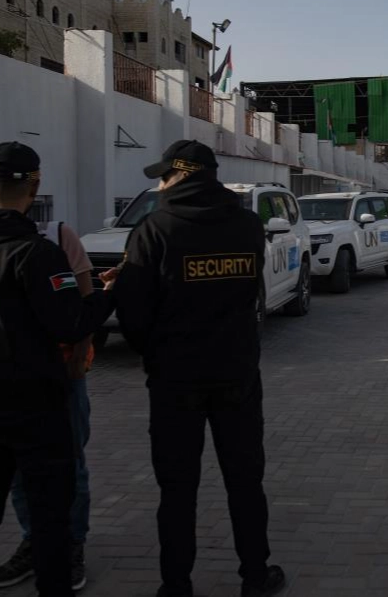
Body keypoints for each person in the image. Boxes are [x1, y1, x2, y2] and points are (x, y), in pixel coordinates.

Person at [0, 142, 112, 597]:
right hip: (35, 412)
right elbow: (71, 322)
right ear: (34, 187)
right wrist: (106, 296)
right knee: (51, 519)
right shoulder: (34, 253)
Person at [111, 140, 285, 597]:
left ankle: (176, 585)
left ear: (181, 175)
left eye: (164, 176)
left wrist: (155, 354)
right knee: (245, 482)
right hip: (237, 373)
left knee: (177, 489)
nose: (160, 185)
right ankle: (255, 576)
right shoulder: (248, 225)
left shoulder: (154, 229)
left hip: (175, 380)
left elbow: (133, 313)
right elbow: (247, 292)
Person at [0, 170, 97, 591]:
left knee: (71, 464)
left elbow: (84, 302)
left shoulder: (57, 235)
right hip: (8, 380)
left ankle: (71, 545)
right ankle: (34, 542)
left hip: (61, 376)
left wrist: (79, 358)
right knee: (20, 467)